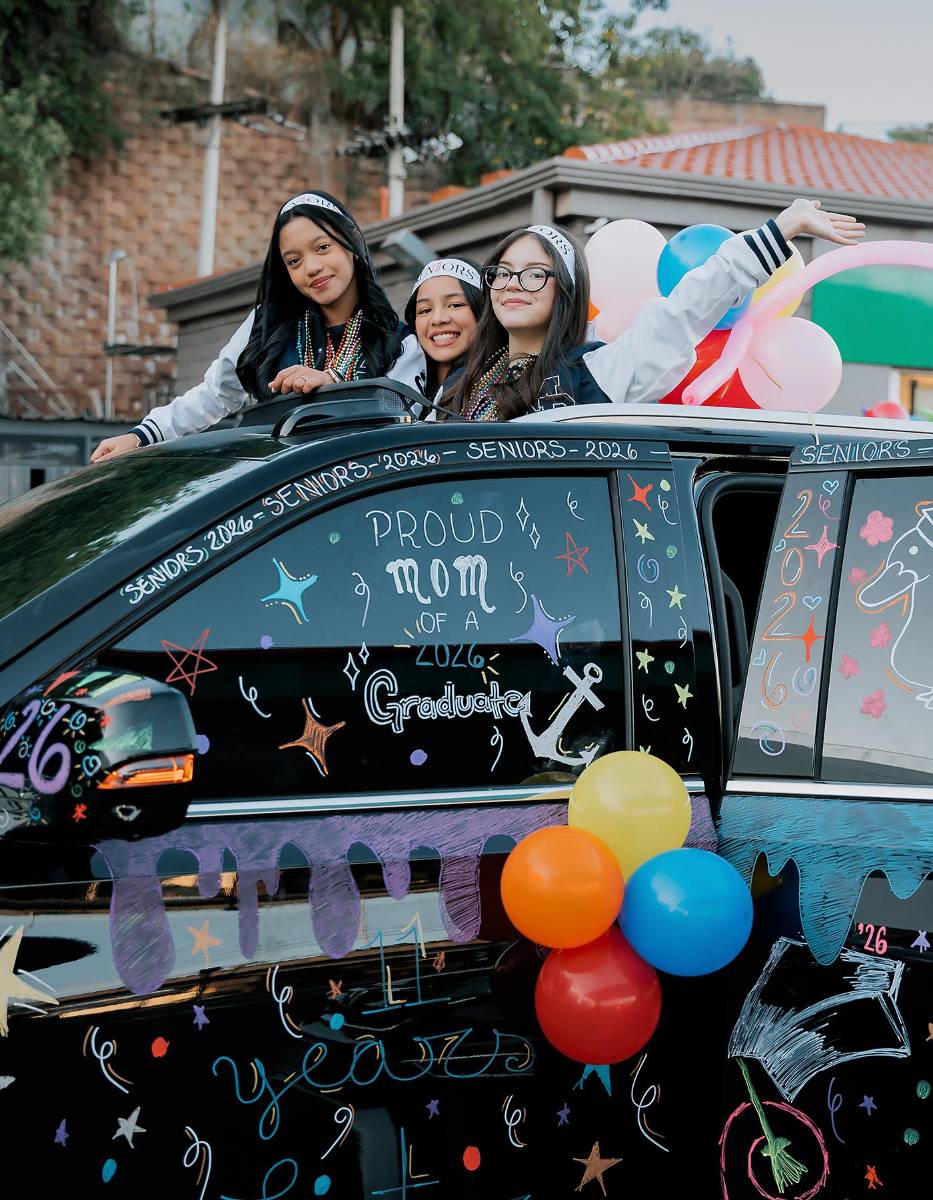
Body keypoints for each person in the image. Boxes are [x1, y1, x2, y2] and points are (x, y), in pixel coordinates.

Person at [443, 198, 865, 422]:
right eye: (501, 272)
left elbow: (685, 309)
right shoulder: (463, 381)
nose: (512, 284)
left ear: (566, 292)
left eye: (534, 274)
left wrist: (782, 228)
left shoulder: (596, 372)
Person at [91, 190, 426, 461]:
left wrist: (332, 385)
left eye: (323, 247)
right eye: (294, 261)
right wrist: (140, 436)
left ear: (352, 244)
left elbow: (398, 437)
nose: (311, 267)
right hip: (272, 505)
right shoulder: (268, 324)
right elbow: (215, 394)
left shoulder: (400, 341)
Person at [403, 258, 484, 406]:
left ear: (483, 312)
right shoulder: (404, 394)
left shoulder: (501, 389)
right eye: (425, 310)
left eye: (455, 305)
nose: (438, 319)